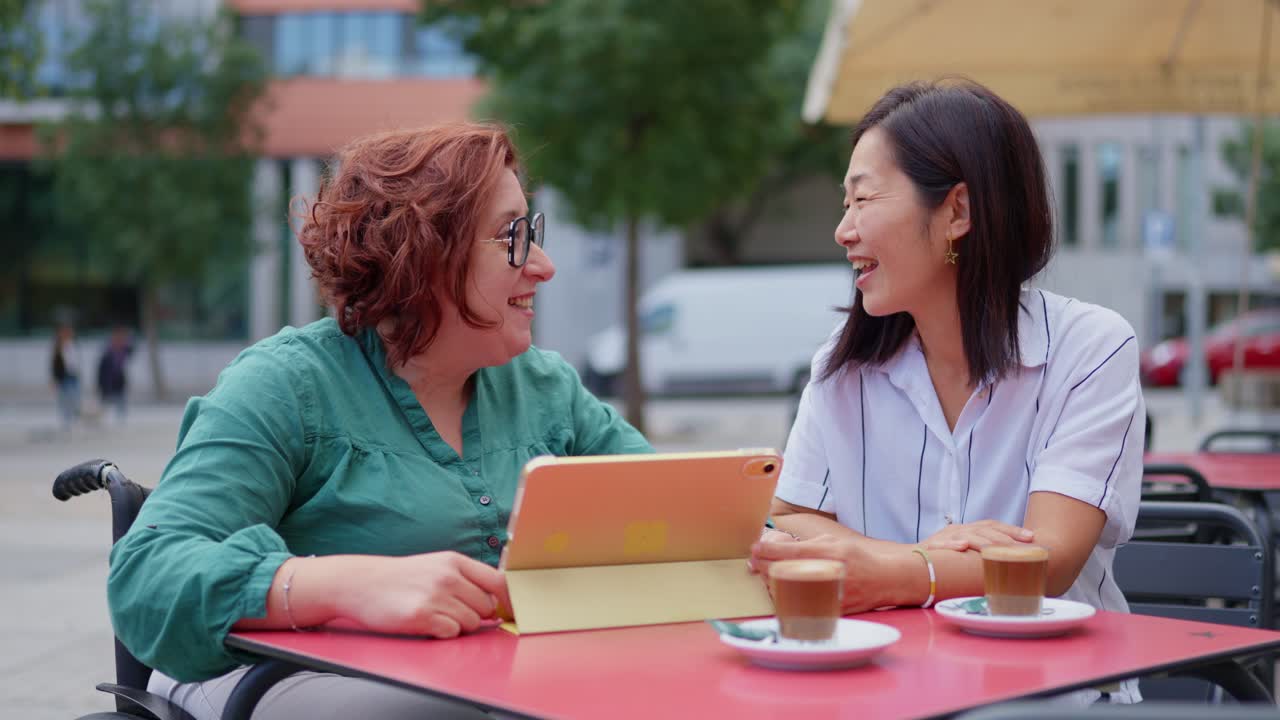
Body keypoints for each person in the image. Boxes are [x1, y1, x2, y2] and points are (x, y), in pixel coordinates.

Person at [108, 123, 651, 720]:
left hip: (483, 676)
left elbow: (675, 504)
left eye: (532, 232)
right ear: (422, 254)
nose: (544, 267)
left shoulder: (547, 389)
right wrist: (346, 586)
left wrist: (755, 535)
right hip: (273, 673)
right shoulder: (285, 385)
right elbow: (146, 581)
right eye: (511, 238)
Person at [752, 80, 1144, 703]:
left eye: (863, 200)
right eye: (844, 205)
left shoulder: (1091, 348)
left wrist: (889, 572)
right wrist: (914, 555)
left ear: (957, 212)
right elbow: (790, 519)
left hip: (1058, 697)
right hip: (881, 692)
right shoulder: (840, 367)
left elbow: (1047, 562)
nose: (842, 231)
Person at [96, 326, 133, 424]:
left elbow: (132, 349)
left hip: (119, 382)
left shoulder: (123, 351)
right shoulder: (107, 352)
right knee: (105, 404)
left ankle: (120, 422)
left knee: (121, 403)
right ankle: (102, 421)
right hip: (107, 382)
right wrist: (101, 384)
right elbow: (102, 370)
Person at [50, 322, 82, 431]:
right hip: (64, 377)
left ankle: (73, 420)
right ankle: (66, 421)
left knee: (75, 399)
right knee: (64, 400)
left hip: (73, 376)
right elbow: (54, 364)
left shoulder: (73, 344)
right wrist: (54, 379)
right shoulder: (57, 347)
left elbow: (75, 361)